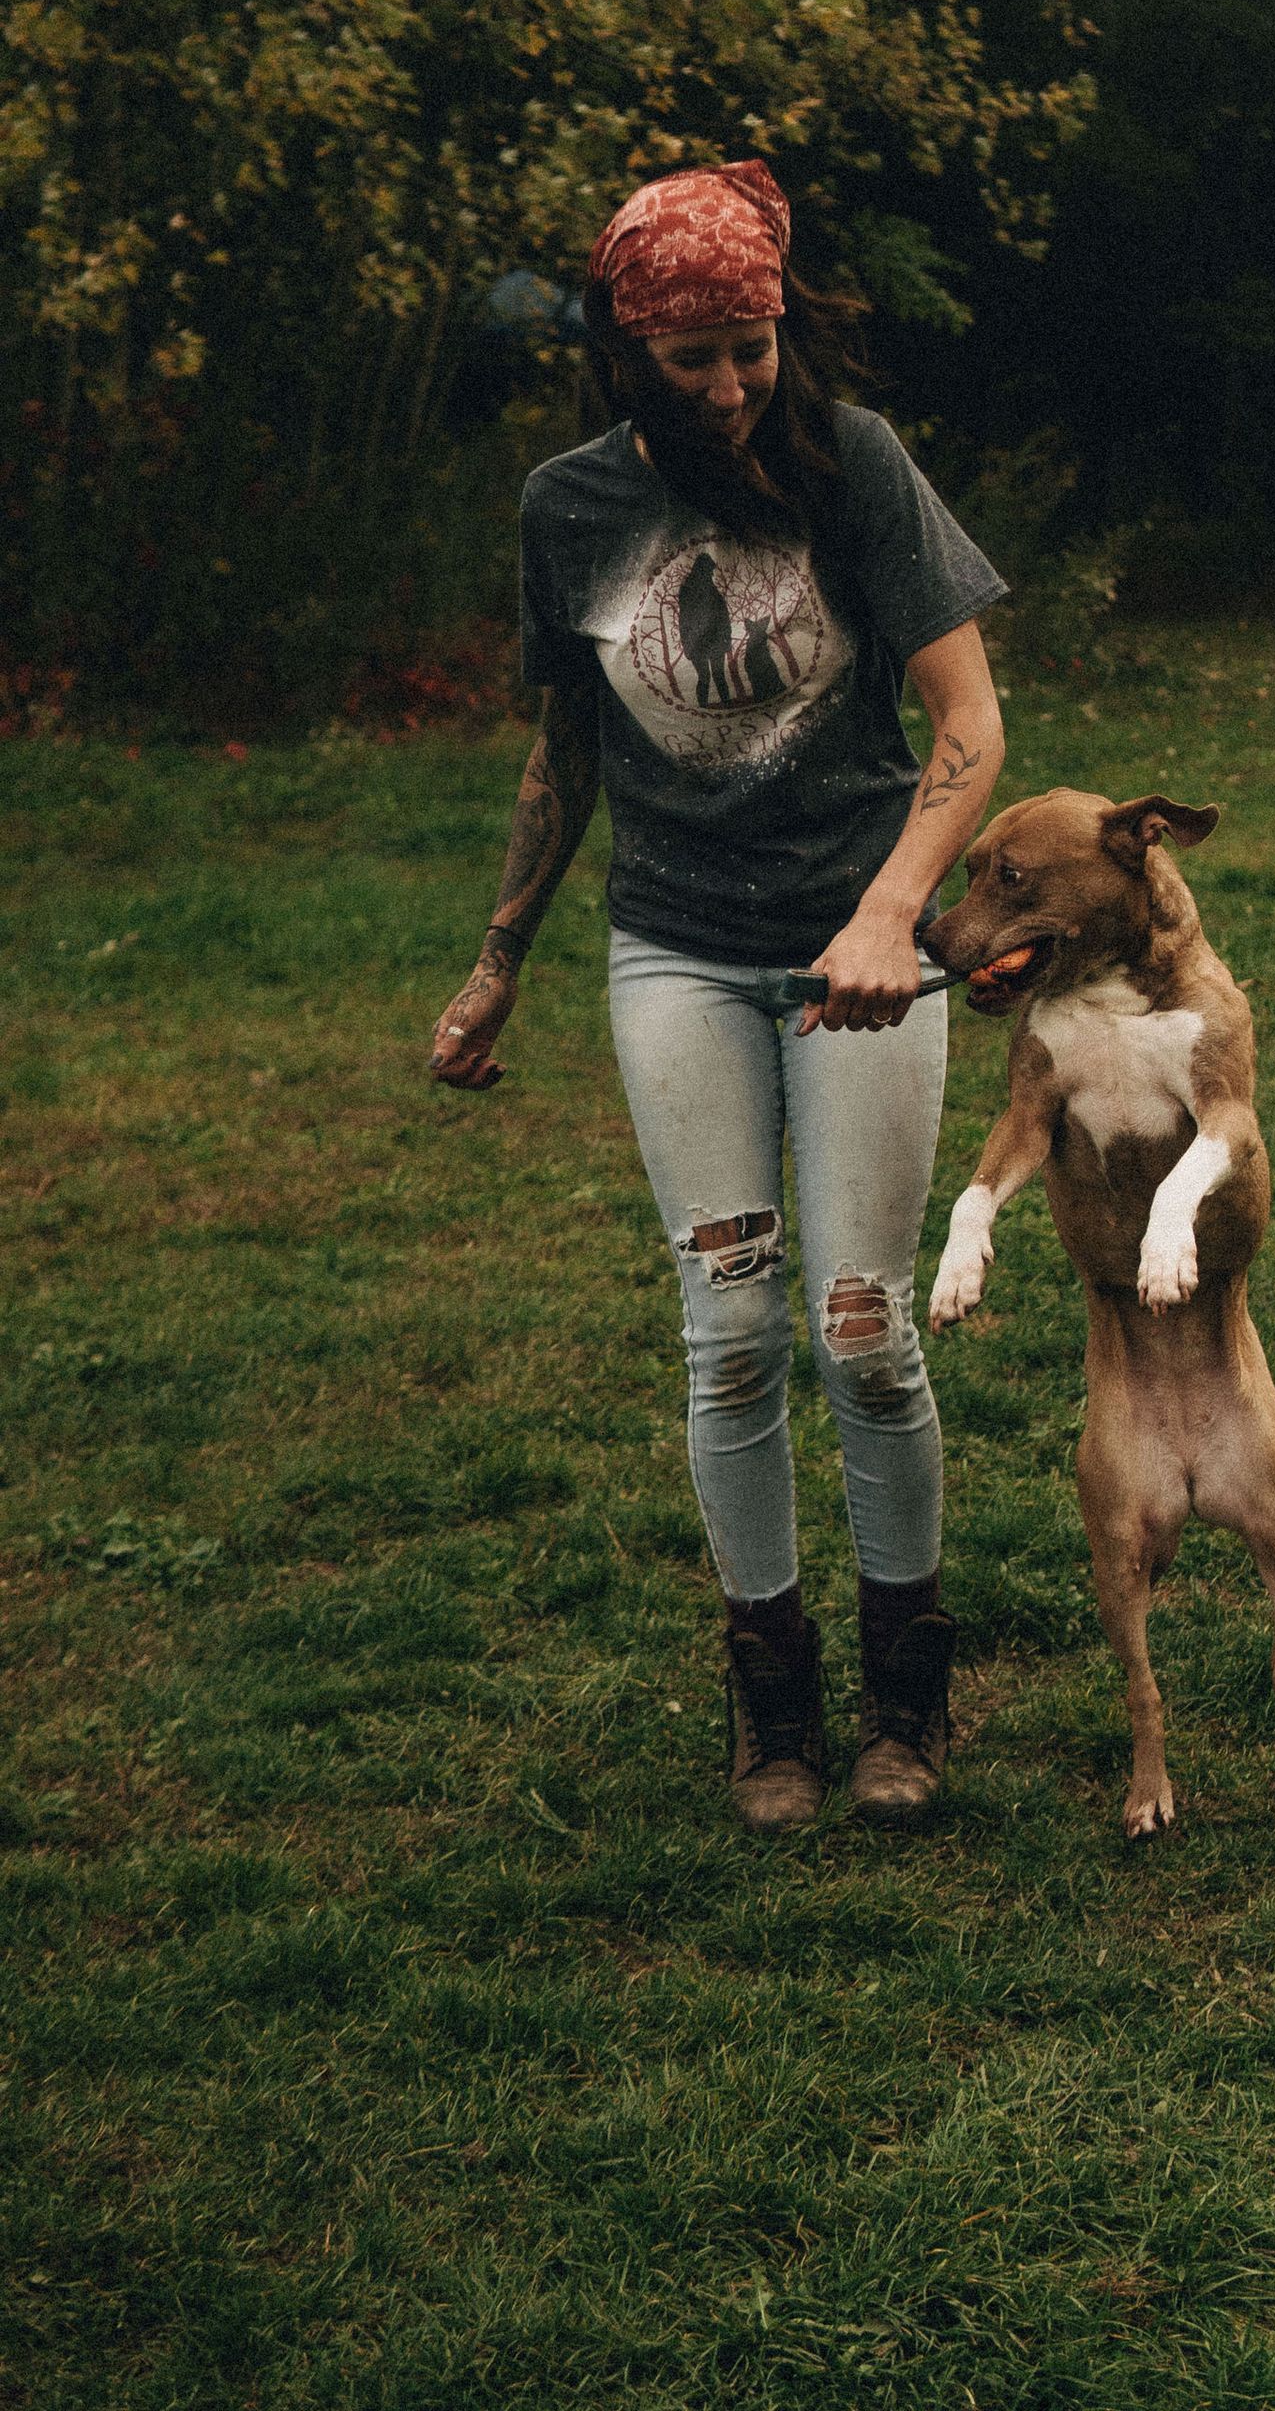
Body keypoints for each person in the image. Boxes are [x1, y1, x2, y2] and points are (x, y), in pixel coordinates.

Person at [430, 159, 1007, 1835]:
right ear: (628, 355)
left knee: (865, 1332)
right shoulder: (572, 509)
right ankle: (774, 1716)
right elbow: (567, 751)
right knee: (734, 1331)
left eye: (752, 347)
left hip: (858, 958)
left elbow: (969, 732)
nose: (733, 385)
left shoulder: (857, 472)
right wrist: (500, 959)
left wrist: (894, 912)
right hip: (677, 951)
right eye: (694, 361)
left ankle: (911, 1699)